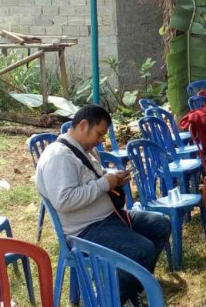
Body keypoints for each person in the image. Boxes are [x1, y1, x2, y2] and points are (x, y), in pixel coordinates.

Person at [35, 104, 171, 306]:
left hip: (109, 218)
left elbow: (92, 180)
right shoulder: (59, 157)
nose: (99, 141)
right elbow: (64, 200)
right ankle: (109, 300)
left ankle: (129, 287)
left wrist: (112, 178)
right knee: (143, 250)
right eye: (98, 134)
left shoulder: (85, 150)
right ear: (83, 125)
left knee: (160, 225)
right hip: (84, 231)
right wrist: (104, 183)